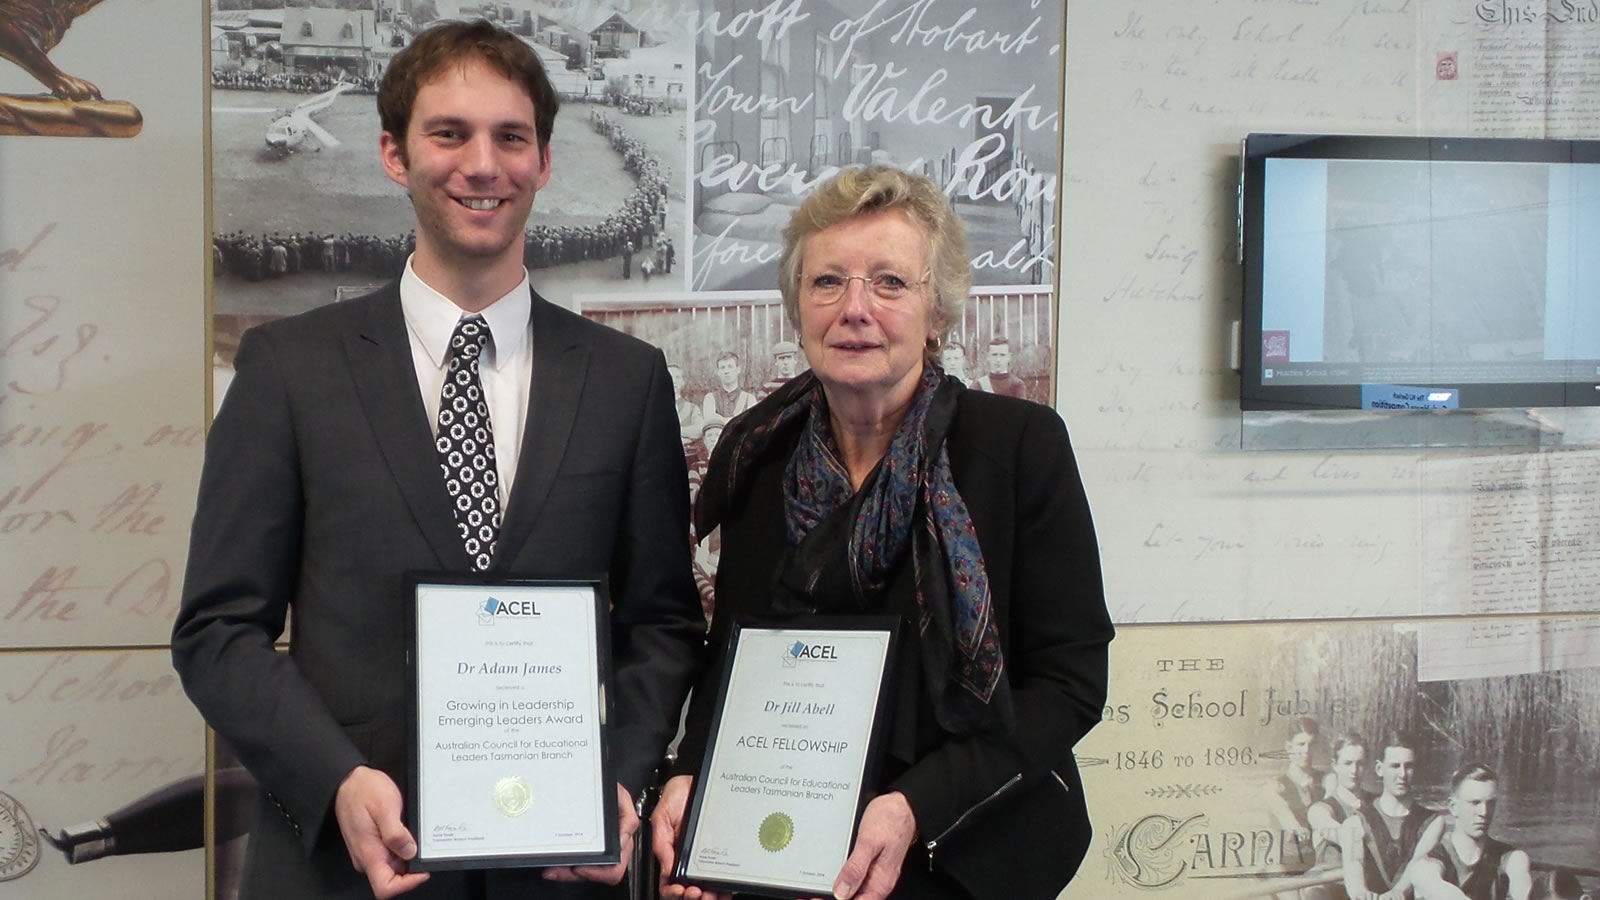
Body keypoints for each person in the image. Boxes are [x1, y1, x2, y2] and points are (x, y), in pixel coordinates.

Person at [171, 20, 704, 900]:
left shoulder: (626, 380)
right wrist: (334, 779)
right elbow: (217, 631)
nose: (482, 165)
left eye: (511, 136)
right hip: (345, 873)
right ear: (393, 152)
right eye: (449, 133)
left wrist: (618, 779)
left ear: (544, 160)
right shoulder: (290, 369)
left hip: (559, 872)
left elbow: (663, 622)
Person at [649, 165, 1113, 900]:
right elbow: (736, 663)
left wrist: (910, 808)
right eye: (827, 282)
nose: (854, 309)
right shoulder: (757, 459)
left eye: (890, 283)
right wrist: (693, 781)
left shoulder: (1020, 448)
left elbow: (1070, 685)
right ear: (797, 307)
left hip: (961, 847)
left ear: (938, 314)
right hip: (784, 854)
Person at [1409, 764, 1533, 900]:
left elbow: (1523, 892)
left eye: (1490, 803)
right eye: (1475, 803)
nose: (1484, 812)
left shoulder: (1514, 859)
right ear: (1453, 807)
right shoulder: (1426, 865)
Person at [1344, 731, 1438, 898]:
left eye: (1408, 766)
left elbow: (1416, 865)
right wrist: (1360, 893)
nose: (1402, 774)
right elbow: (1354, 865)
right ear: (1380, 769)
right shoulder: (1355, 823)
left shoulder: (1433, 822)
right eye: (1395, 766)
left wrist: (1396, 893)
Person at [1307, 733, 1371, 898]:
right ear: (1335, 765)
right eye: (1348, 763)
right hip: (1333, 889)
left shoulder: (1377, 804)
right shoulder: (1320, 809)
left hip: (1370, 886)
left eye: (1360, 764)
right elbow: (1344, 835)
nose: (1354, 771)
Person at [1267, 717, 1326, 837]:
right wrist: (1297, 828)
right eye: (1301, 744)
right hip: (1291, 852)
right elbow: (1283, 815)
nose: (1306, 750)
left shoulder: (1326, 780)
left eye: (1311, 744)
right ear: (1289, 747)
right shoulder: (1275, 786)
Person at [700, 350, 755, 426]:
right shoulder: (710, 398)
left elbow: (751, 424)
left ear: (738, 370)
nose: (726, 371)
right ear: (718, 372)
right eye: (723, 367)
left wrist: (719, 419)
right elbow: (709, 423)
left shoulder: (749, 399)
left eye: (730, 366)